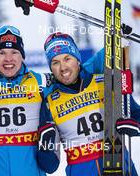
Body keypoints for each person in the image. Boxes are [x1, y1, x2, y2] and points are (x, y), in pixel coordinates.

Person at [0, 25, 105, 176]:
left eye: (14, 52)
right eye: (1, 53)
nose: (8, 58)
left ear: (22, 56)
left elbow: (72, 73)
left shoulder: (41, 82)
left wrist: (116, 42)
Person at [39, 32, 140, 175]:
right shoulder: (50, 102)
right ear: (51, 68)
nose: (63, 68)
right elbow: (50, 167)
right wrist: (44, 146)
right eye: (55, 62)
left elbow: (136, 115)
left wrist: (135, 125)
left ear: (78, 60)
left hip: (119, 164)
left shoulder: (106, 82)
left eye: (67, 58)